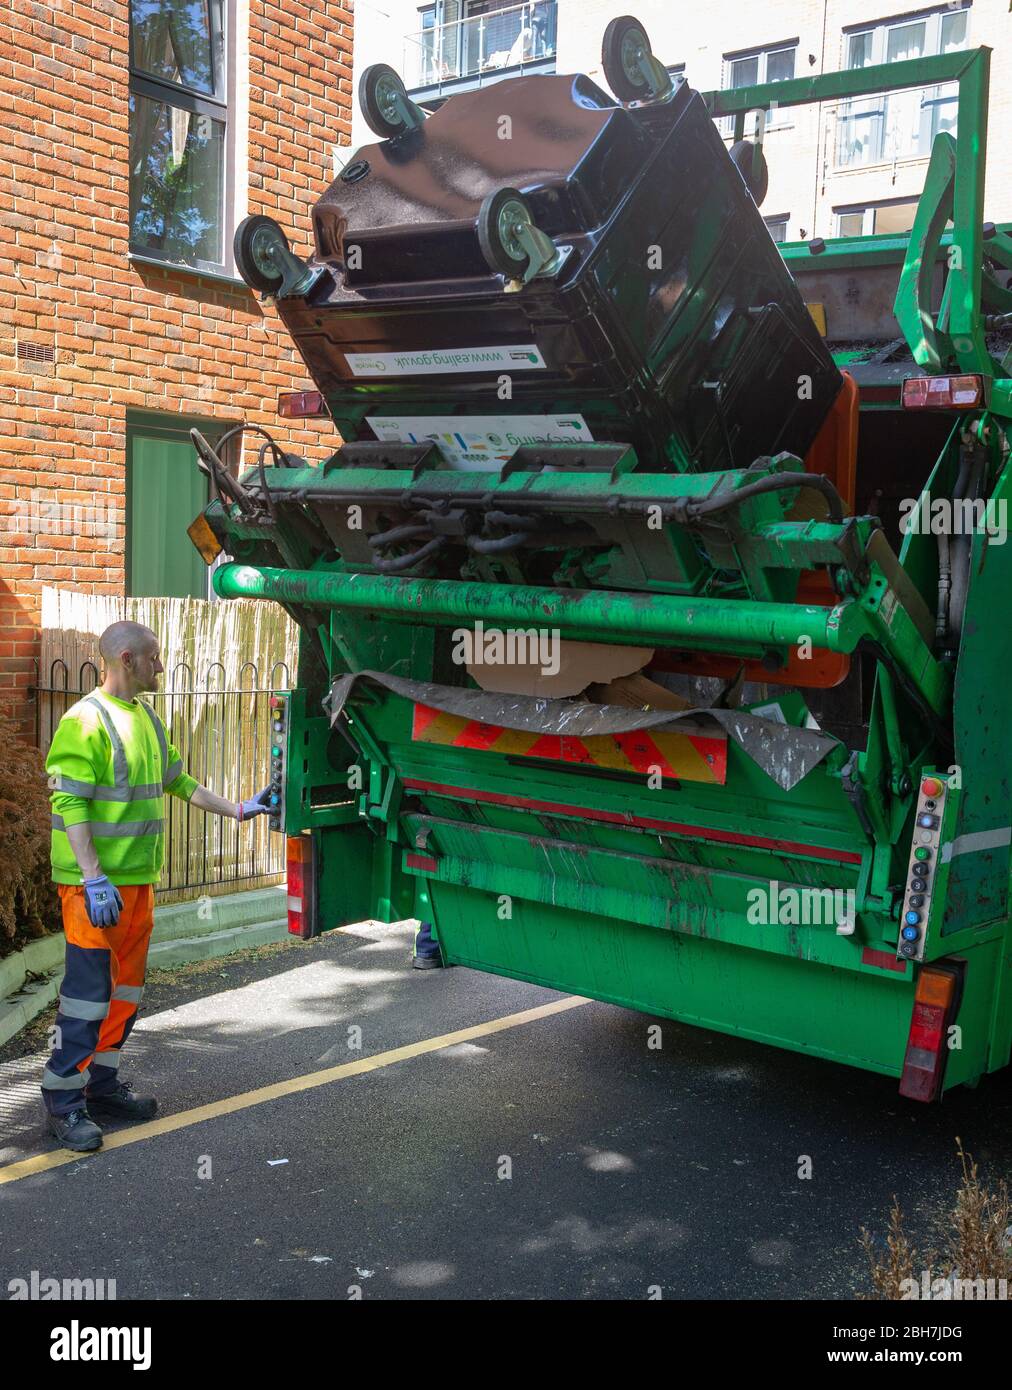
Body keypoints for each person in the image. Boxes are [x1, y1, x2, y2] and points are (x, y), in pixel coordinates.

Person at [41, 620, 272, 1152]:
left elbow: (176, 781)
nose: (161, 666)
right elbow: (68, 803)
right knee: (86, 995)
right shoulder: (84, 722)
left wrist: (237, 809)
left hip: (135, 885)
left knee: (123, 992)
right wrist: (94, 876)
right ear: (126, 659)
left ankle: (99, 1087)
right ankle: (62, 1101)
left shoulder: (144, 716)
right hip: (92, 888)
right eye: (154, 657)